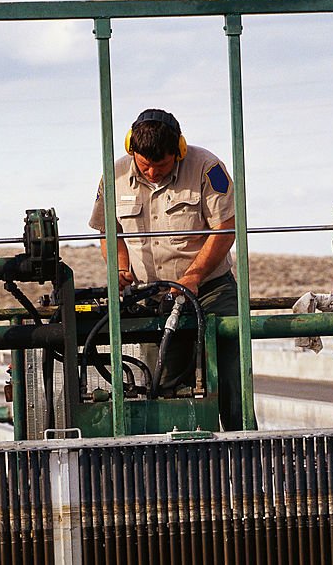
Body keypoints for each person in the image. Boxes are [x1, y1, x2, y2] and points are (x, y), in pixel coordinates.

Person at [89, 108, 243, 431]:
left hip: (212, 293)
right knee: (161, 389)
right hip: (154, 301)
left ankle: (244, 459)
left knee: (231, 387)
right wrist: (119, 267)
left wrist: (194, 275)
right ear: (132, 149)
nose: (153, 173)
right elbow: (108, 230)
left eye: (161, 166)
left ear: (179, 151)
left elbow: (226, 228)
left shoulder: (208, 169)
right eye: (145, 166)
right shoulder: (113, 176)